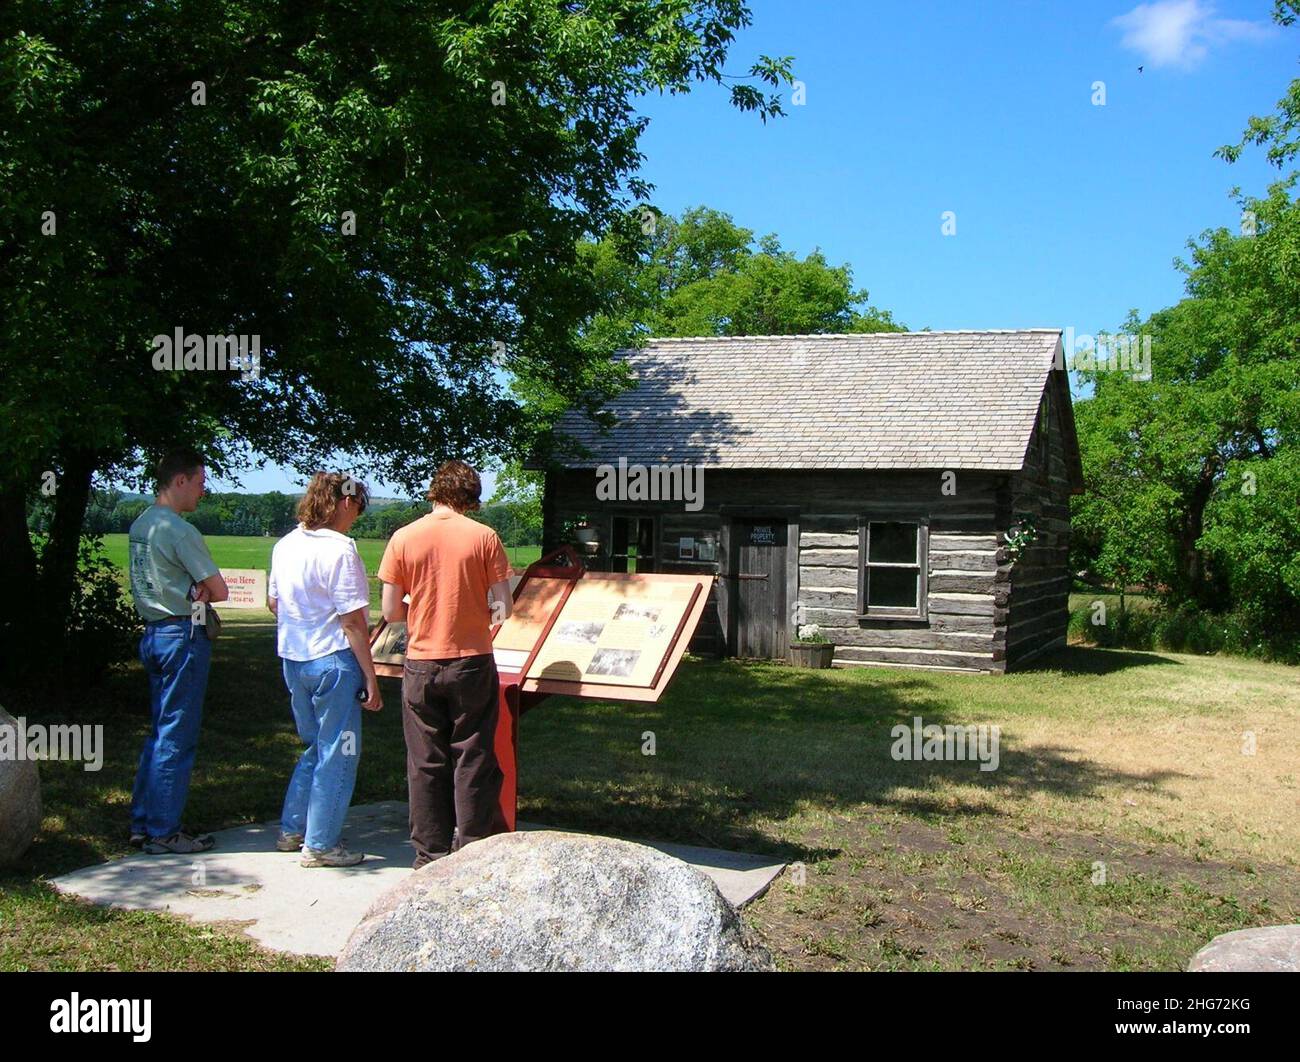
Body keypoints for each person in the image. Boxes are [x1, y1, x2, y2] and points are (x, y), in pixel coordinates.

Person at [379, 460, 513, 869]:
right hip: (471, 658)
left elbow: (390, 610)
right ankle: (472, 848)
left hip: (420, 661)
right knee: (472, 754)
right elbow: (503, 607)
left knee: (425, 760)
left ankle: (429, 853)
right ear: (470, 495)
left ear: (435, 491)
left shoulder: (403, 537)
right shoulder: (484, 536)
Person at [268, 473, 383, 868]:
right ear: (345, 503)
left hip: (293, 659)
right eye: (358, 508)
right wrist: (370, 677)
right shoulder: (341, 549)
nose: (357, 517)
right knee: (340, 753)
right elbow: (354, 622)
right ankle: (320, 845)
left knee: (315, 747)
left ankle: (293, 828)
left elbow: (274, 603)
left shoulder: (285, 544)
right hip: (333, 661)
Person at [128, 449, 228, 854]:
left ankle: (143, 822)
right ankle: (165, 832)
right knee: (177, 734)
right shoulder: (179, 530)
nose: (203, 491)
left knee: (157, 733)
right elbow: (219, 590)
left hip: (152, 632)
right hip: (182, 636)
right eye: (201, 482)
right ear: (180, 480)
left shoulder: (141, 524)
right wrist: (200, 588)